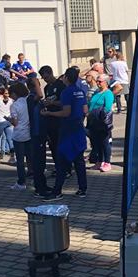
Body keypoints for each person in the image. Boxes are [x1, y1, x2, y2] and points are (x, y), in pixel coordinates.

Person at [43, 67, 89, 199]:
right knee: (79, 160)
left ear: (67, 78)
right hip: (78, 129)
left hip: (68, 130)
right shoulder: (80, 91)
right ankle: (82, 189)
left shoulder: (66, 92)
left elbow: (66, 112)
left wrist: (49, 113)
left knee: (61, 160)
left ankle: (57, 191)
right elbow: (85, 110)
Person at [38, 65, 64, 175]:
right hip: (50, 119)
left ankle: (66, 168)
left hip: (60, 119)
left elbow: (64, 103)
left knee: (61, 145)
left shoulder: (61, 85)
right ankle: (58, 167)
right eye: (43, 78)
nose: (45, 80)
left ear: (51, 73)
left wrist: (53, 103)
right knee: (53, 145)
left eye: (46, 77)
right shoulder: (46, 88)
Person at [87, 75, 115, 173]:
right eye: (97, 81)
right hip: (93, 120)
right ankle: (99, 161)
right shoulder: (96, 92)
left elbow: (107, 108)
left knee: (105, 142)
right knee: (96, 142)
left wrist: (99, 114)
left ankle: (107, 162)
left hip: (102, 121)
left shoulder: (108, 93)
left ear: (106, 83)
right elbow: (90, 104)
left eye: (100, 81)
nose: (98, 83)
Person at [7, 82, 31, 190]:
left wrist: (9, 119)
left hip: (19, 134)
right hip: (29, 132)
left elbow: (15, 122)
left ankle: (21, 182)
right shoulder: (28, 101)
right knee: (30, 157)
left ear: (15, 93)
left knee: (20, 161)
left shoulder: (14, 105)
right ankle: (32, 175)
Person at [25, 78, 47, 195]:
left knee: (42, 162)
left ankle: (43, 184)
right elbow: (40, 94)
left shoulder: (37, 100)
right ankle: (39, 188)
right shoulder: (30, 98)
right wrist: (34, 81)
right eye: (37, 85)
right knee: (38, 162)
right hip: (36, 133)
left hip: (41, 132)